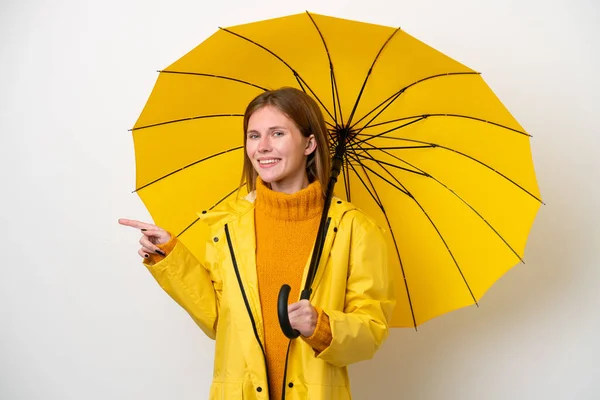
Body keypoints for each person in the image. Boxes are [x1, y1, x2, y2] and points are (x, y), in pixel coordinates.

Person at [119, 87, 396, 400]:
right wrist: (170, 255)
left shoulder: (355, 229)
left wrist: (320, 325)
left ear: (309, 143)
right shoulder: (227, 225)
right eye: (253, 136)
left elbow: (371, 329)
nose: (262, 147)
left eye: (277, 133)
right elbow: (219, 320)